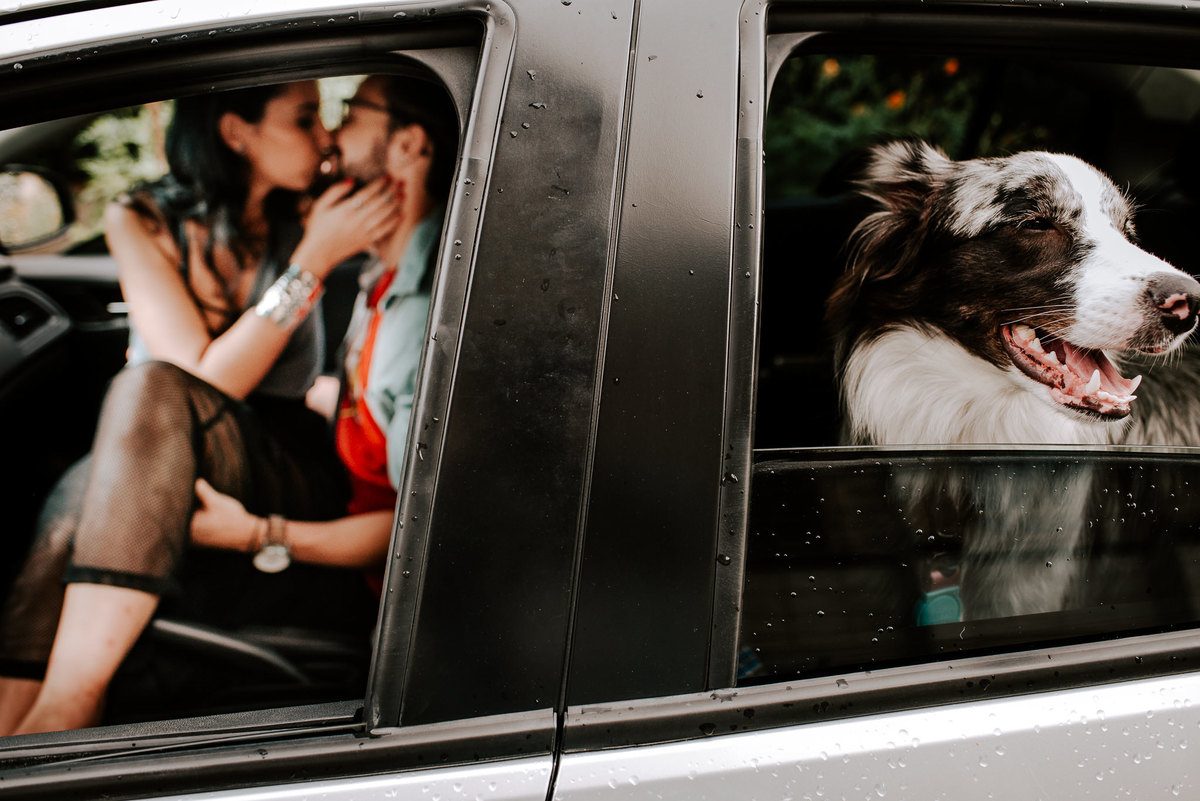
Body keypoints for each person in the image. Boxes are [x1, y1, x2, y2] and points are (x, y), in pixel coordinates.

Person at [0, 80, 403, 735]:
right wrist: (313, 260)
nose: (326, 137)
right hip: (167, 431)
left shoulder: (318, 211)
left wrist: (315, 249)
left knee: (144, 388)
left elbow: (205, 385)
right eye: (305, 118)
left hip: (278, 453)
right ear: (236, 131)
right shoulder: (140, 218)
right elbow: (198, 373)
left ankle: (73, 700)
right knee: (79, 499)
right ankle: (16, 729)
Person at [189, 74, 456, 597]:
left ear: (408, 145)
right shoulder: (385, 275)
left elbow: (416, 525)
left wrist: (258, 535)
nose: (331, 137)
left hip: (378, 596)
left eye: (351, 115)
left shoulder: (426, 311)